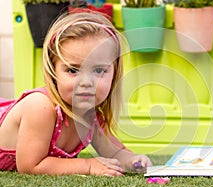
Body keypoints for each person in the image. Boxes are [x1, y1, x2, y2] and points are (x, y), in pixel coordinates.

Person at [0, 12, 152, 176]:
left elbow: (115, 153)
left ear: (114, 75)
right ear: (53, 73)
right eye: (73, 70)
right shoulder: (40, 107)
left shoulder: (90, 116)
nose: (86, 82)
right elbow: (31, 165)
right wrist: (88, 166)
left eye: (99, 70)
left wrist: (133, 160)